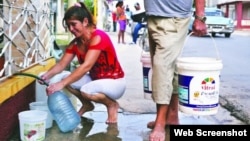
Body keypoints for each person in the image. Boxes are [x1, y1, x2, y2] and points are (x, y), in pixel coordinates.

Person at [40, 2, 126, 124]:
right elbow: (61, 65)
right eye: (68, 25)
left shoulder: (98, 37)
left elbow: (86, 66)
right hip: (96, 80)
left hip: (115, 83)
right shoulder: (75, 43)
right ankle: (87, 105)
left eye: (74, 24)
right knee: (67, 78)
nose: (71, 29)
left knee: (84, 89)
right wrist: (46, 76)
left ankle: (112, 105)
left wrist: (61, 84)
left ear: (85, 22)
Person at [143, 0, 207, 141]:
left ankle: (160, 123)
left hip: (173, 16)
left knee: (162, 67)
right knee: (167, 67)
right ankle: (171, 116)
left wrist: (200, 17)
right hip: (154, 15)